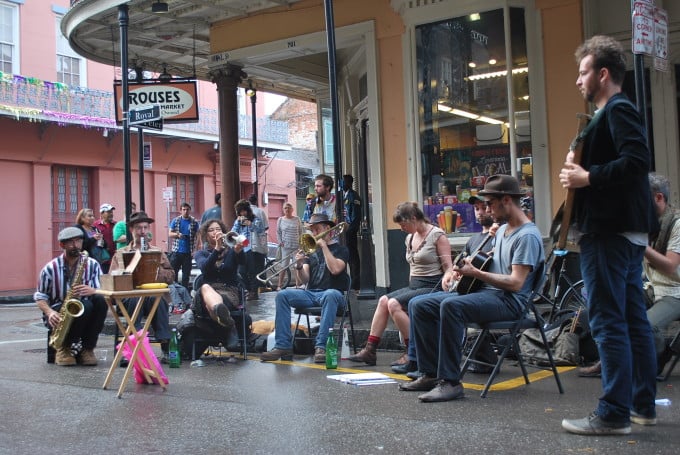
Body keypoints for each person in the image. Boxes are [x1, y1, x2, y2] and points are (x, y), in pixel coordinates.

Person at [559, 35, 658, 435]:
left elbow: (637, 160)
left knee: (607, 320)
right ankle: (640, 406)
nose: (578, 80)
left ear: (603, 74)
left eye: (583, 72)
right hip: (625, 232)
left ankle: (614, 412)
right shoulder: (613, 112)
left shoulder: (617, 108)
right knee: (633, 321)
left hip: (609, 231)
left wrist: (587, 176)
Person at [400, 174, 544, 404]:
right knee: (420, 304)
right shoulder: (503, 231)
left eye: (489, 204)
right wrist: (461, 271)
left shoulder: (526, 236)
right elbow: (490, 262)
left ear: (506, 200)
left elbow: (516, 283)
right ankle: (429, 373)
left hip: (509, 301)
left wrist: (476, 274)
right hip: (486, 294)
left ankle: (450, 382)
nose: (486, 210)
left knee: (451, 305)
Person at [579, 173, 680, 379]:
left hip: (674, 292)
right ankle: (609, 362)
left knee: (646, 326)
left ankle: (652, 363)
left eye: (641, 198)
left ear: (658, 198)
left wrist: (637, 243)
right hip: (652, 287)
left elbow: (670, 266)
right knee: (607, 305)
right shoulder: (646, 223)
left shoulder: (676, 224)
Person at [348, 202, 451, 367]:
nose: (402, 228)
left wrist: (447, 278)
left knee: (394, 304)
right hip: (415, 285)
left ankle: (413, 352)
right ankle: (370, 350)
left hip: (432, 285)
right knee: (383, 300)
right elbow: (413, 268)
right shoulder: (409, 238)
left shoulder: (437, 236)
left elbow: (448, 268)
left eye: (403, 224)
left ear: (413, 219)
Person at [261, 213, 349, 364]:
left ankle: (321, 346)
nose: (314, 234)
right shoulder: (311, 251)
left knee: (330, 295)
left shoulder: (341, 250)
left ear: (327, 228)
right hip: (311, 294)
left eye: (317, 230)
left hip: (334, 295)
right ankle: (283, 346)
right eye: (312, 230)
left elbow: (335, 269)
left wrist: (324, 247)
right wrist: (299, 265)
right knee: (282, 295)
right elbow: (305, 279)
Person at [35, 226, 108, 366]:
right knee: (85, 306)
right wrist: (49, 313)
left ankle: (87, 349)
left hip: (86, 306)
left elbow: (104, 289)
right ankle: (64, 348)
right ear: (62, 245)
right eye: (71, 242)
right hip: (59, 309)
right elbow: (40, 297)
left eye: (79, 241)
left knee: (100, 300)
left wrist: (93, 290)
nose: (76, 246)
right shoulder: (50, 268)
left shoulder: (92, 264)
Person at [109, 211, 175, 362]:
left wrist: (156, 273)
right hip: (129, 298)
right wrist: (125, 274)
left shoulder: (156, 252)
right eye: (139, 228)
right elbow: (111, 277)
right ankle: (132, 346)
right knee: (135, 299)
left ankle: (165, 344)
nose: (142, 232)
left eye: (145, 228)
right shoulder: (121, 253)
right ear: (131, 230)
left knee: (156, 298)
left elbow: (171, 274)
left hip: (152, 295)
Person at [193, 219, 247, 330]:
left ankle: (225, 321)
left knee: (211, 307)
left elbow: (243, 262)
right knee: (205, 287)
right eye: (211, 230)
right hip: (208, 292)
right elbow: (205, 269)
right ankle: (230, 328)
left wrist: (239, 251)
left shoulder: (231, 251)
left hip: (229, 292)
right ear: (206, 235)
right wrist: (217, 248)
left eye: (218, 229)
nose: (215, 232)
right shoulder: (200, 254)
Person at [232, 199, 265, 300]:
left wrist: (250, 224)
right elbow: (233, 232)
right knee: (241, 271)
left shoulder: (255, 219)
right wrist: (238, 223)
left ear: (248, 210)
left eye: (244, 211)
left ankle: (253, 292)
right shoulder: (238, 221)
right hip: (243, 247)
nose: (242, 213)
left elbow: (261, 230)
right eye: (240, 211)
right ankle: (248, 290)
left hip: (253, 248)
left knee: (253, 272)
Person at [169, 202, 200, 289]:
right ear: (180, 210)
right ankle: (175, 291)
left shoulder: (194, 221)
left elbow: (198, 235)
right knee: (174, 273)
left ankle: (185, 292)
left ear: (190, 210)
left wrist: (196, 248)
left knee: (186, 275)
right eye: (184, 209)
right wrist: (177, 235)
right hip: (177, 251)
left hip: (188, 252)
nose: (185, 211)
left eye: (187, 209)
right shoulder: (176, 220)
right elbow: (170, 233)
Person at [276, 201, 304, 290]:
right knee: (283, 266)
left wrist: (301, 243)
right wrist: (280, 242)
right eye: (285, 208)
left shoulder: (297, 219)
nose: (287, 209)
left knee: (297, 266)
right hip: (285, 246)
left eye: (289, 207)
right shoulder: (280, 219)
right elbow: (278, 232)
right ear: (283, 209)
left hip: (296, 246)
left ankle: (298, 284)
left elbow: (301, 231)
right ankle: (279, 285)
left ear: (292, 209)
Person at [342, 175, 362, 290]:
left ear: (349, 183)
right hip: (345, 231)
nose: (342, 185)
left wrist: (350, 230)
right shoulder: (344, 196)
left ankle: (356, 283)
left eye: (344, 182)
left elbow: (356, 216)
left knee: (353, 257)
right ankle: (352, 282)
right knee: (349, 256)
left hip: (350, 231)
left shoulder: (353, 196)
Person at [248, 194, 269, 294]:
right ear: (256, 201)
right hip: (260, 244)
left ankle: (252, 289)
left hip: (248, 245)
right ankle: (259, 287)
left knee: (251, 268)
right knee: (259, 267)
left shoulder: (246, 213)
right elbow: (265, 227)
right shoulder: (260, 211)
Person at [94, 203, 116, 273]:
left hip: (114, 258)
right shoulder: (95, 225)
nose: (111, 214)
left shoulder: (116, 224)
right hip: (102, 259)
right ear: (102, 213)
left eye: (111, 212)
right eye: (109, 212)